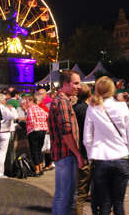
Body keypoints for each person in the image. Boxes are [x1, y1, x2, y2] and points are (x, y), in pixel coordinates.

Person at [83, 76, 129, 215]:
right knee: (119, 203)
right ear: (113, 90)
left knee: (104, 205)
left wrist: (90, 156)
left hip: (100, 158)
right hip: (121, 157)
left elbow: (87, 138)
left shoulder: (92, 108)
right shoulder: (122, 106)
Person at [48, 70, 86, 215]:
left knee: (61, 195)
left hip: (61, 154)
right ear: (65, 83)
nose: (79, 86)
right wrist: (78, 154)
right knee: (68, 198)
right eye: (76, 83)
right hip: (67, 154)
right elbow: (66, 131)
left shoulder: (58, 100)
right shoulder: (63, 102)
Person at [73, 84, 92, 215]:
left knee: (77, 190)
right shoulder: (88, 110)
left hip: (76, 151)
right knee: (81, 192)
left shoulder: (73, 108)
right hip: (86, 153)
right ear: (89, 95)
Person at [0, 93, 18, 178]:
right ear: (4, 101)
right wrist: (13, 109)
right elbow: (15, 116)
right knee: (2, 153)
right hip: (4, 131)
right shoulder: (5, 109)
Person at [26, 94, 48, 177]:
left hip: (34, 130)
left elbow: (31, 119)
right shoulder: (40, 109)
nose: (27, 103)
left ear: (31, 101)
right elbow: (46, 115)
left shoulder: (30, 109)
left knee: (34, 151)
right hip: (42, 130)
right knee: (39, 150)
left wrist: (33, 127)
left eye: (28, 101)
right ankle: (41, 168)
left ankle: (36, 171)